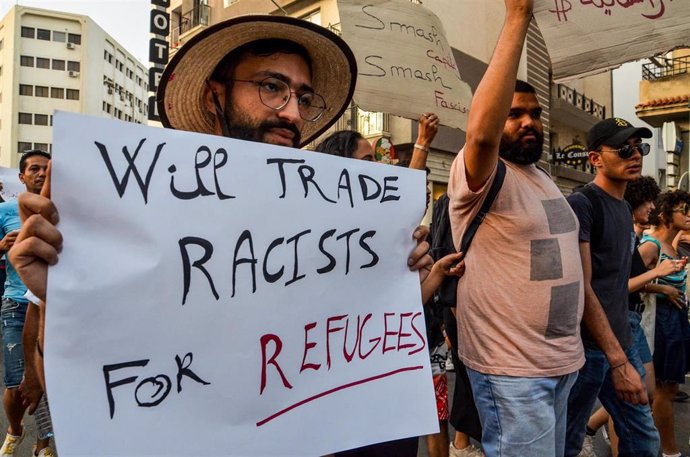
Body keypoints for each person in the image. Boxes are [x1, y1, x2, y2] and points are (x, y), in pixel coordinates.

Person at [6, 15, 434, 453]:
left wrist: (396, 280)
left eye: (303, 97)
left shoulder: (335, 221)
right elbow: (94, 388)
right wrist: (65, 296)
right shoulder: (146, 216)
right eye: (272, 86)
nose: (291, 112)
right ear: (215, 94)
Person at [447, 1, 585, 455]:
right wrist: (517, 17)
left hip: (561, 363)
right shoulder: (480, 173)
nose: (529, 122)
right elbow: (481, 137)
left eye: (535, 113)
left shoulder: (542, 177)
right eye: (513, 113)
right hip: (511, 370)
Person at [565, 118, 660, 457]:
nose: (635, 155)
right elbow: (582, 286)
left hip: (620, 339)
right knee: (567, 442)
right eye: (624, 149)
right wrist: (618, 362)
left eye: (639, 148)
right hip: (587, 349)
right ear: (595, 158)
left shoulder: (622, 207)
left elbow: (617, 284)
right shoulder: (582, 204)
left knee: (644, 438)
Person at [578, 175, 680, 457]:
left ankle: (602, 432)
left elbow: (630, 281)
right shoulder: (637, 238)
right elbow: (614, 286)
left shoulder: (629, 233)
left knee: (642, 395)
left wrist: (659, 285)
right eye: (646, 201)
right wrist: (658, 274)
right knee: (626, 400)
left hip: (628, 321)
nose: (652, 207)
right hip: (612, 323)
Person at [0, 150, 52, 457]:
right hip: (16, 305)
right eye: (34, 169)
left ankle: (43, 445)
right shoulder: (5, 210)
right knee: (15, 383)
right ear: (22, 177)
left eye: (47, 169)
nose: (42, 174)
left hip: (52, 307)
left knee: (50, 381)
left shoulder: (63, 212)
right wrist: (3, 245)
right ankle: (15, 430)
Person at [638, 190, 690, 457]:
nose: (689, 215)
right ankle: (670, 451)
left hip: (674, 319)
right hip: (658, 321)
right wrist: (664, 290)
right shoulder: (651, 245)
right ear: (665, 214)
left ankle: (594, 423)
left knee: (661, 389)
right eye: (683, 210)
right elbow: (628, 283)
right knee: (662, 389)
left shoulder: (672, 245)